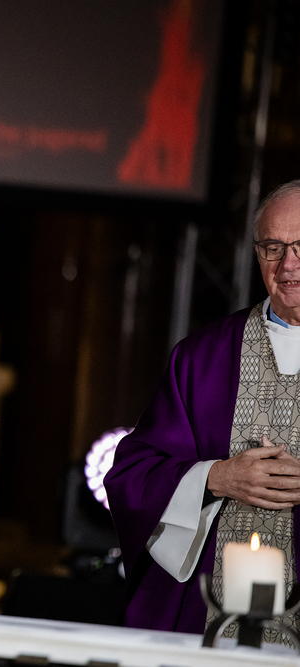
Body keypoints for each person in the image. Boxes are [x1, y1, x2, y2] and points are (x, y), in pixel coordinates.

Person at [104, 180, 300, 642]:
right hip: (209, 619)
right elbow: (132, 475)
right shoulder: (205, 356)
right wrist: (215, 477)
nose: (288, 265)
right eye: (273, 248)